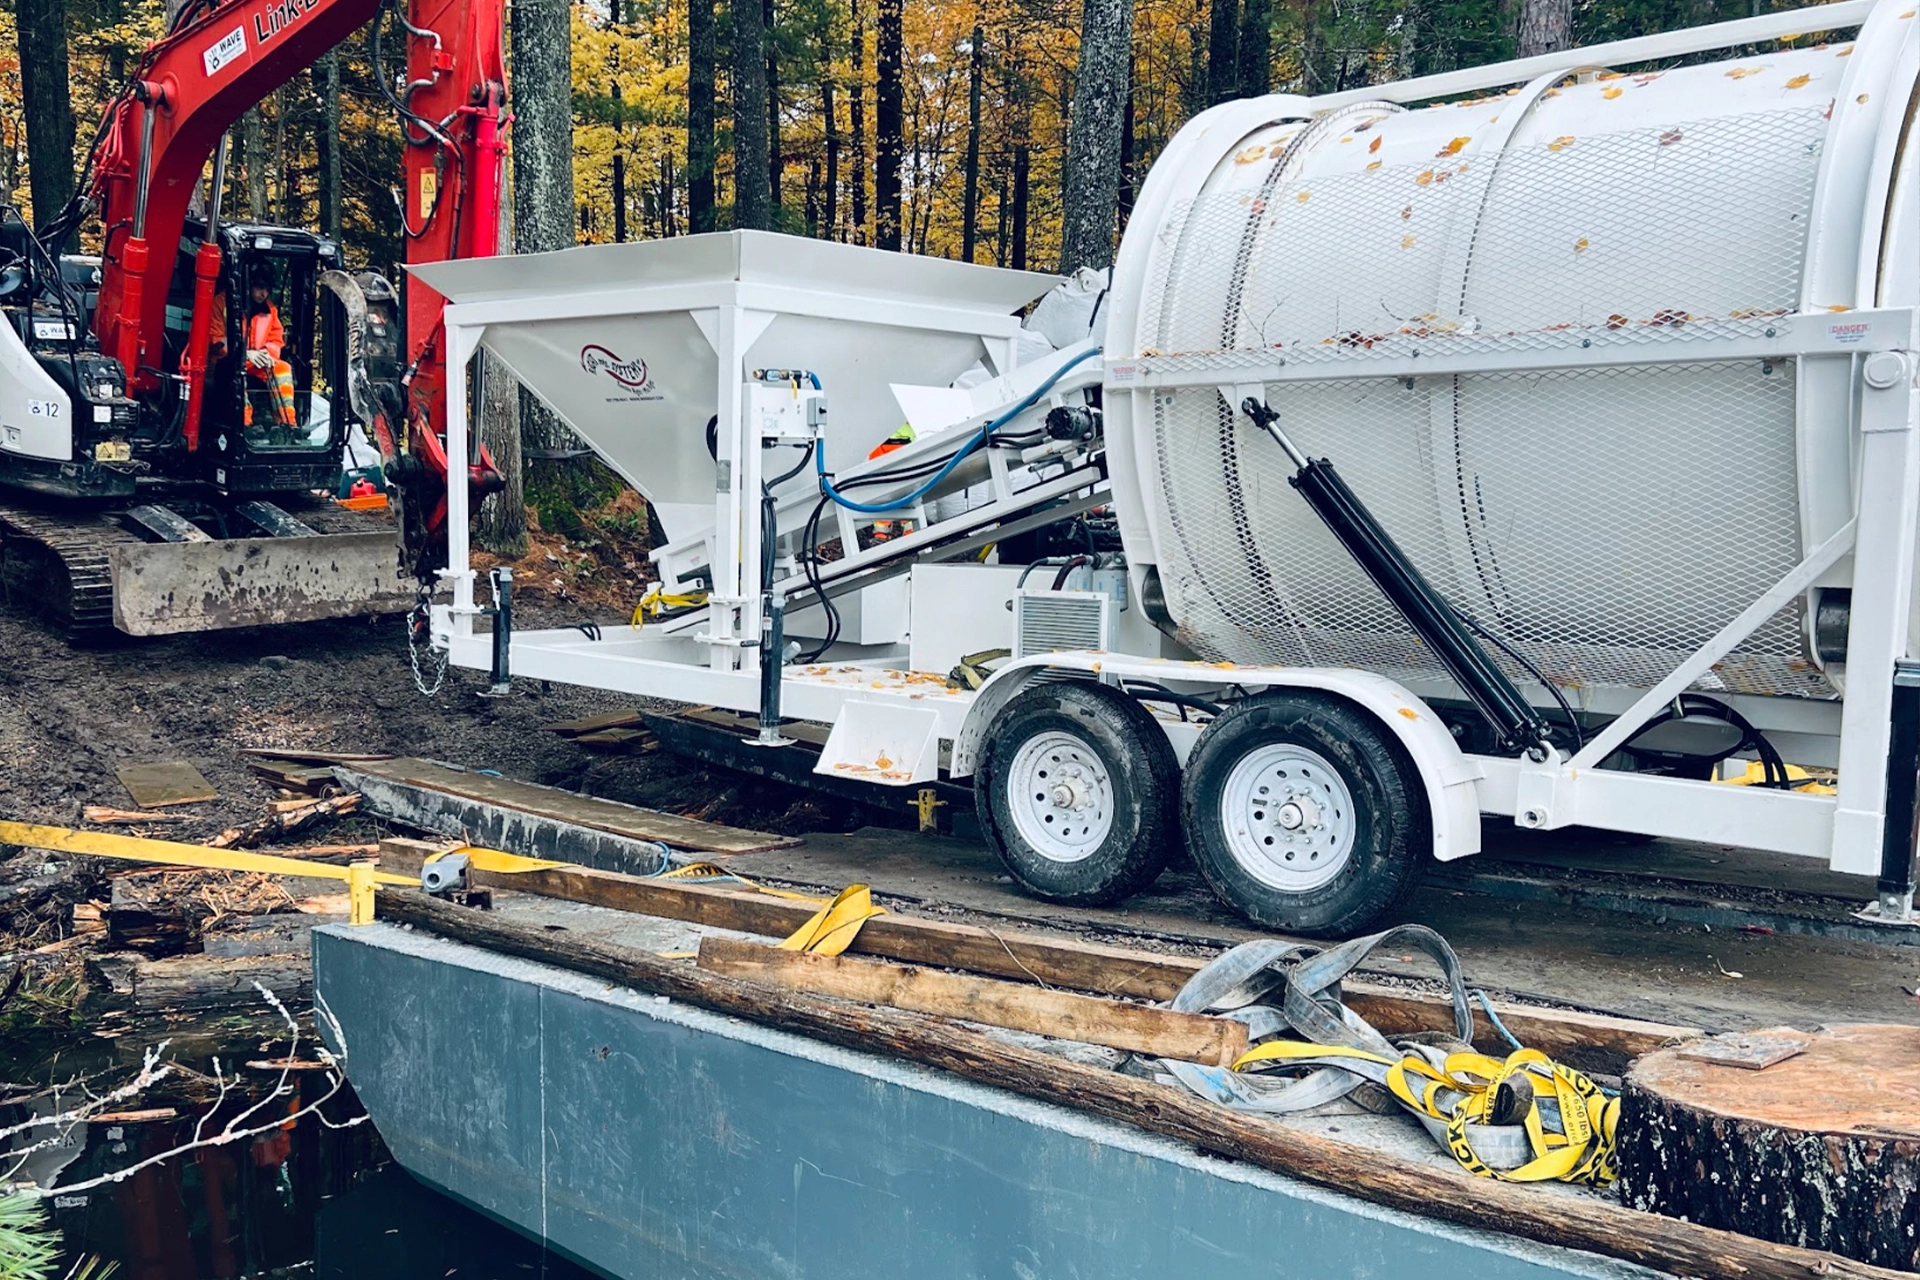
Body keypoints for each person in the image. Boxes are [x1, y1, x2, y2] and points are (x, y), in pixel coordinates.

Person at [219, 266, 298, 431]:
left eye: (267, 289)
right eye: (260, 288)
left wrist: (266, 355)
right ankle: (245, 425)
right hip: (224, 361)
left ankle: (287, 424)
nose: (264, 294)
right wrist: (244, 353)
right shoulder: (221, 304)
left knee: (283, 368)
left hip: (257, 361)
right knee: (237, 370)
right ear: (248, 285)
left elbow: (276, 340)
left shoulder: (270, 310)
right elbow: (214, 340)